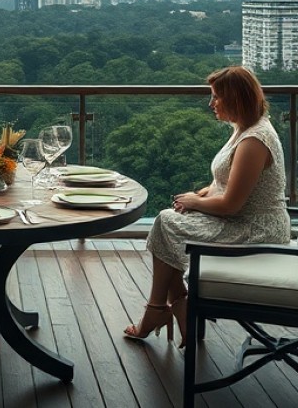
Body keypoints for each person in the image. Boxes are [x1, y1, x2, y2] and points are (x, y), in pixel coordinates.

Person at [122, 65, 289, 346]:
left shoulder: (254, 141)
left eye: (216, 97)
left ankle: (163, 308)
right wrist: (201, 195)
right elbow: (225, 181)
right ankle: (174, 306)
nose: (211, 104)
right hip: (241, 220)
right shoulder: (244, 128)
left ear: (236, 99)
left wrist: (196, 202)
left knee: (166, 222)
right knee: (169, 222)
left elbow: (231, 204)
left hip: (255, 230)